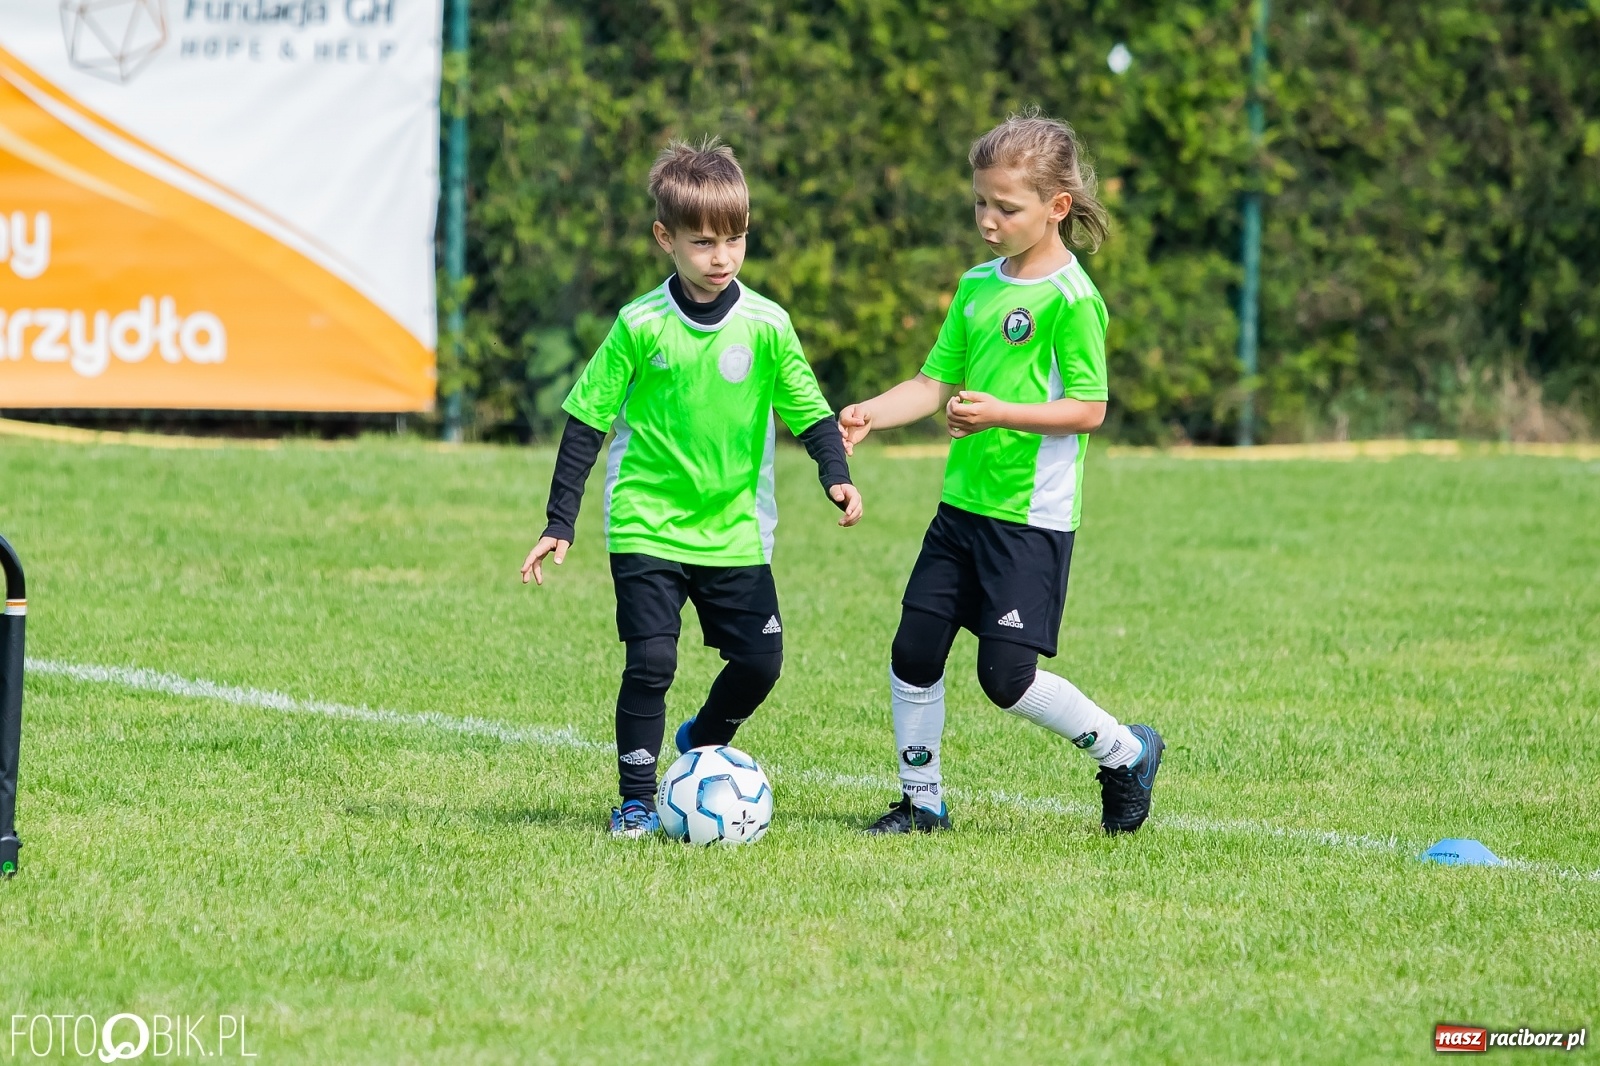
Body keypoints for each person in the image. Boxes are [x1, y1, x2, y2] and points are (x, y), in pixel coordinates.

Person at [522, 138, 863, 838]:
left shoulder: (767, 325)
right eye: (703, 241)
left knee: (761, 661)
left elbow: (809, 408)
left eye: (735, 239)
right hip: (646, 521)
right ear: (665, 239)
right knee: (651, 659)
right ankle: (638, 800)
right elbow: (587, 423)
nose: (721, 257)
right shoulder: (639, 325)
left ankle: (705, 737)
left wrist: (837, 475)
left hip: (736, 527)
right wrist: (561, 519)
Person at [839, 110, 1162, 836]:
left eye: (1005, 207)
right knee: (913, 650)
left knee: (1005, 680)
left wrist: (1001, 413)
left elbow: (1089, 409)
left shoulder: (1074, 302)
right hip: (961, 510)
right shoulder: (978, 286)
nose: (988, 219)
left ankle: (1127, 752)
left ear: (1057, 208)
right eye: (980, 202)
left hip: (1030, 520)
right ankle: (923, 804)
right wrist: (871, 413)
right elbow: (933, 381)